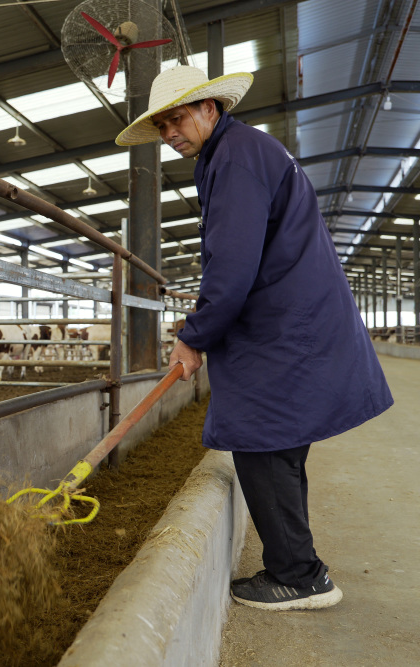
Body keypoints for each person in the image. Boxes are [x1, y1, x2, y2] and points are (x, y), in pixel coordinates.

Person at [116, 66, 393, 611]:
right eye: (162, 125)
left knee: (263, 444)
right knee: (279, 449)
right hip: (291, 321)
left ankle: (298, 575)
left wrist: (194, 335)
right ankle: (300, 566)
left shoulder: (236, 159)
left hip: (282, 327)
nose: (170, 133)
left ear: (210, 110)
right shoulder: (237, 152)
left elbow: (234, 263)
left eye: (178, 118)